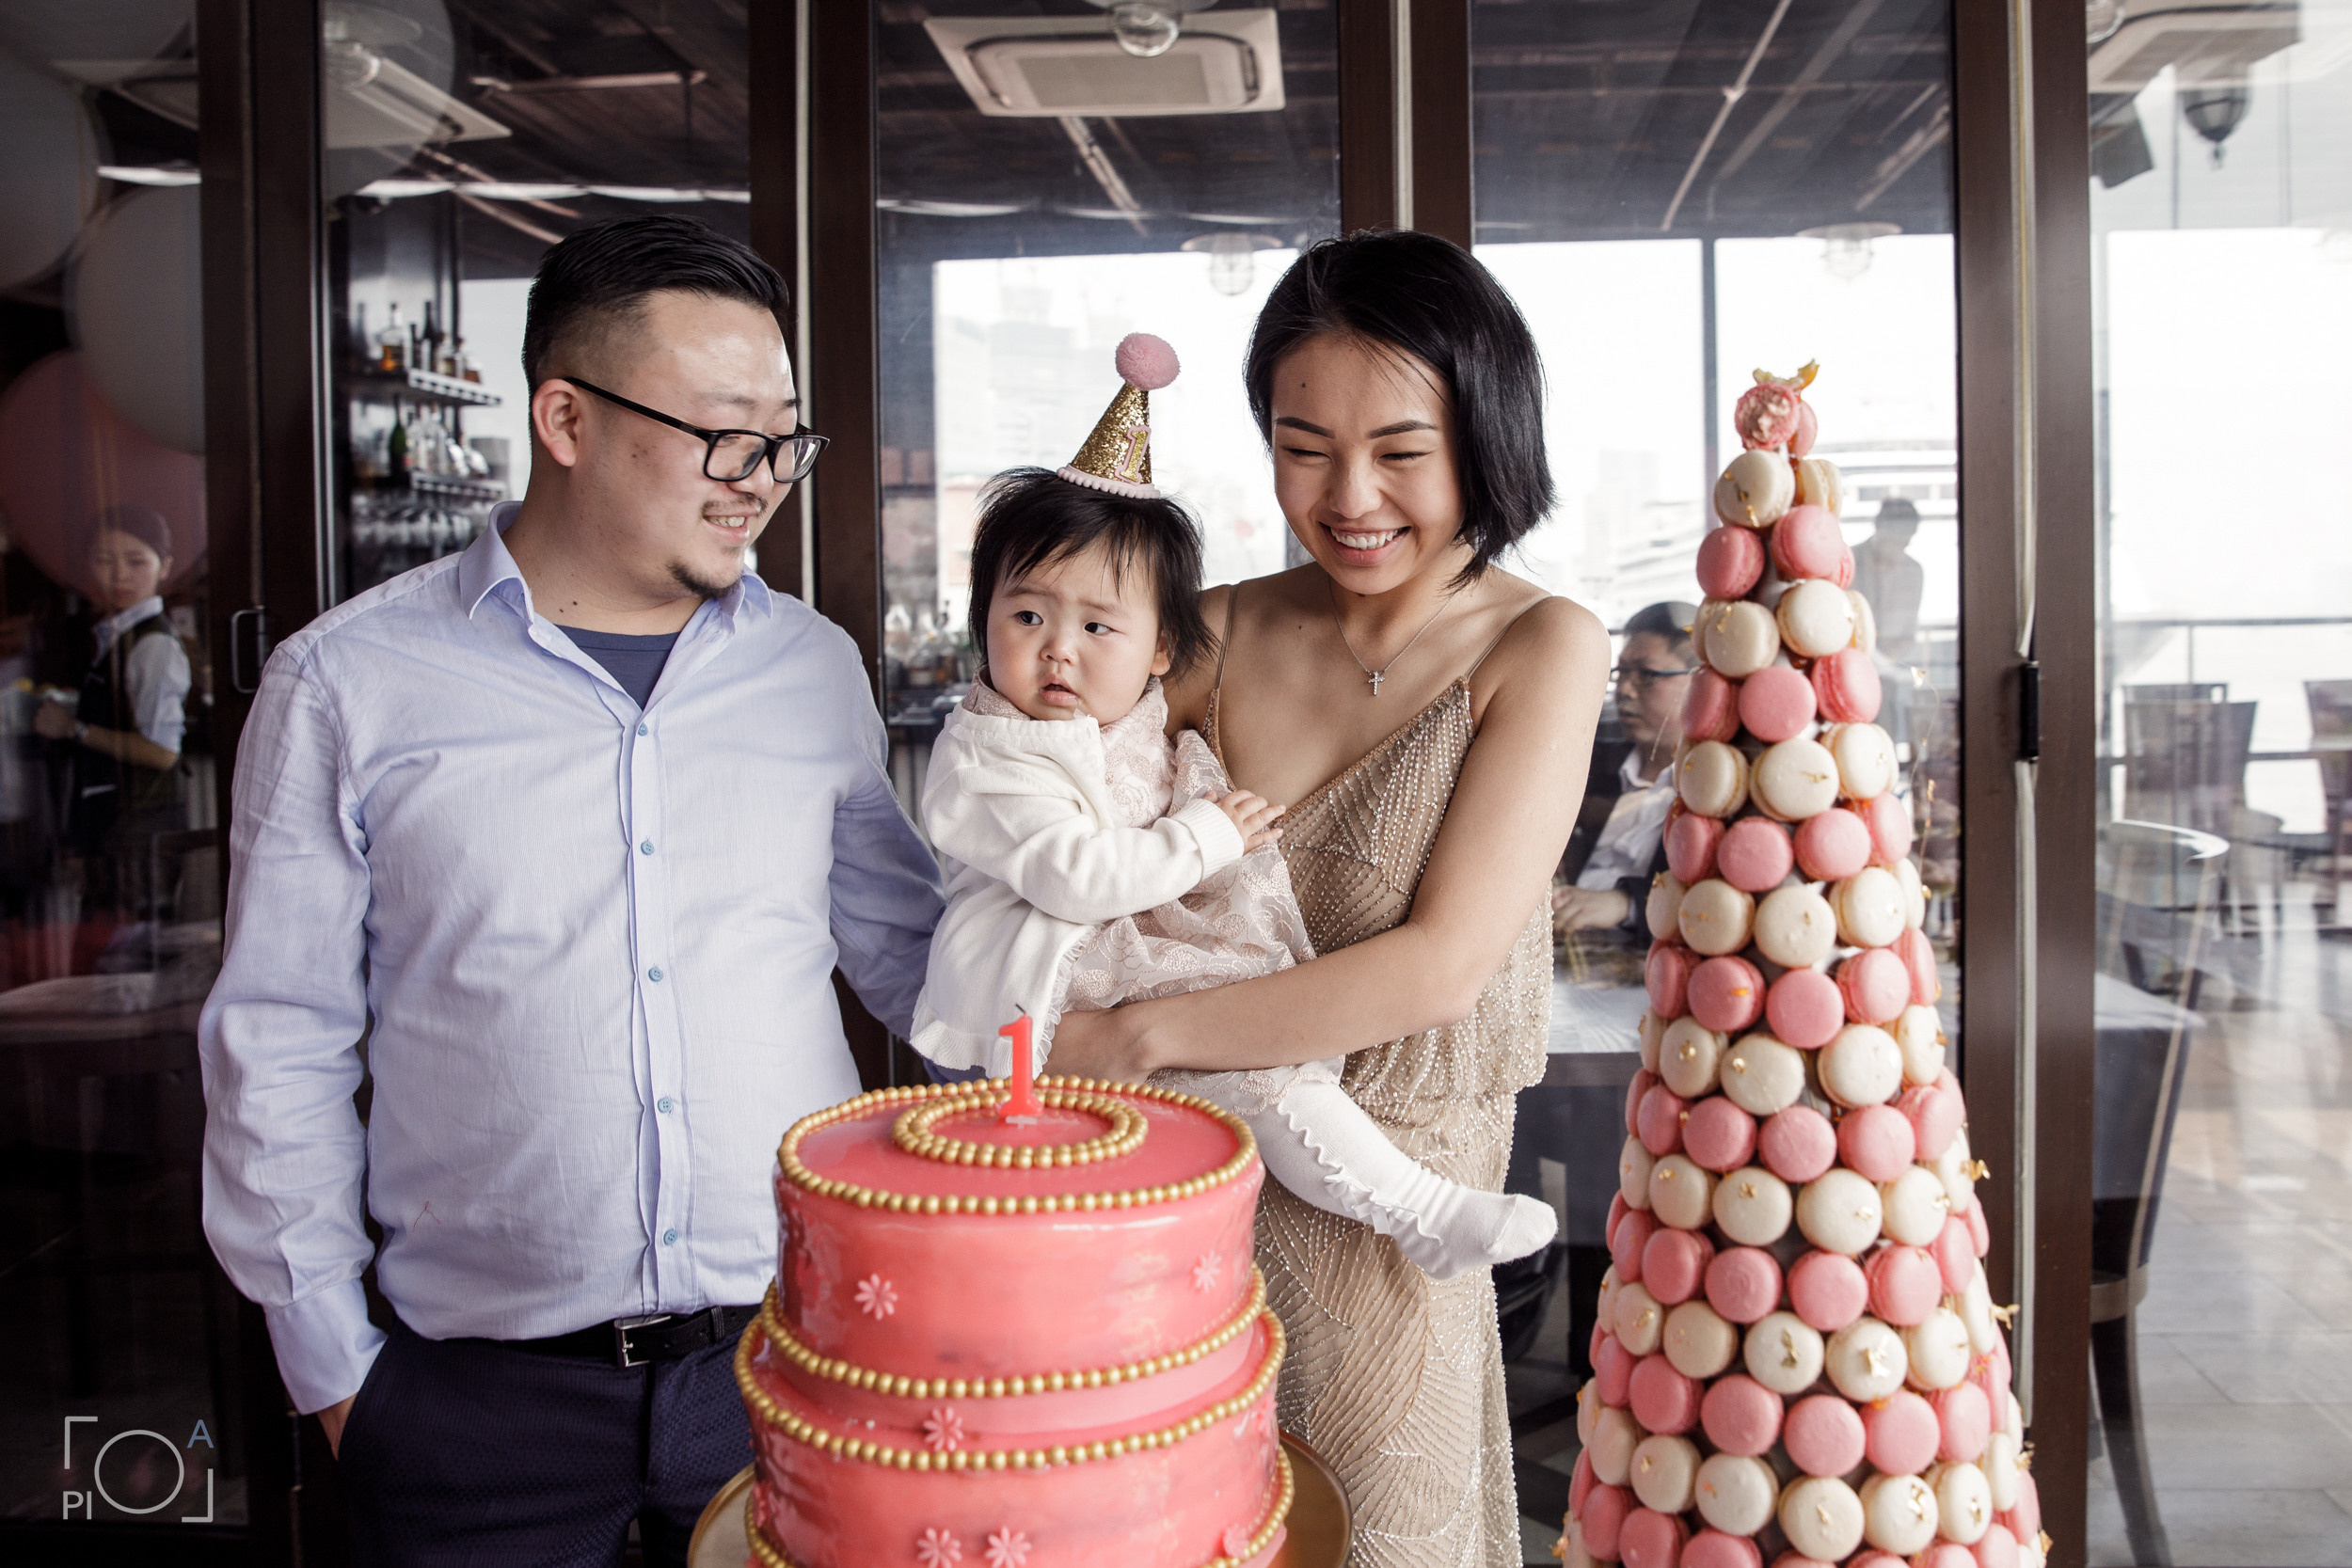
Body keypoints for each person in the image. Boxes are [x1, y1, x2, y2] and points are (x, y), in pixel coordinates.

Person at [199, 215, 944, 1566]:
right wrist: (343, 1382)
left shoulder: (813, 667)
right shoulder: (346, 683)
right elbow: (276, 1042)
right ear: (566, 416)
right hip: (469, 1413)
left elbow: (922, 965)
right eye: (726, 433)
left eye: (784, 437)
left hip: (788, 1370)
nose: (763, 478)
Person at [1045, 230, 1610, 1565]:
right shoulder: (1214, 627)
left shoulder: (1546, 643)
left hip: (1388, 1265)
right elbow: (1042, 794)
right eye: (1305, 446)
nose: (1350, 494)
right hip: (1172, 1233)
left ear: (1487, 434)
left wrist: (1130, 1035)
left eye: (1401, 451)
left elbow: (1440, 967)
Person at [913, 386, 1556, 1278]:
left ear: (1160, 651)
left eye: (1096, 625)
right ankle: (1419, 1208)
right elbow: (1075, 875)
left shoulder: (1133, 700)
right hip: (1055, 979)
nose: (1059, 648)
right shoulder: (992, 749)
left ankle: (1422, 1209)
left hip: (1131, 1000)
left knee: (1269, 1083)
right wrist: (1205, 838)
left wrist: (1145, 1031)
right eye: (1027, 616)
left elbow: (1445, 970)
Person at [33, 503, 192, 920]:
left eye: (136, 561)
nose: (120, 575)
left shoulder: (153, 646)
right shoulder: (116, 635)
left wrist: (74, 728)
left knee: (127, 964)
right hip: (117, 831)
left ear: (165, 568)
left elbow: (161, 752)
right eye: (105, 560)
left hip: (142, 832)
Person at [1551, 600, 1698, 942]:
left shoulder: (1708, 789)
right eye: (1622, 673)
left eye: (1647, 675)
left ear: (1699, 682)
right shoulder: (1591, 765)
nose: (1625, 690)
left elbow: (1714, 897)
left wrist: (1628, 903)